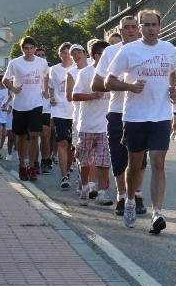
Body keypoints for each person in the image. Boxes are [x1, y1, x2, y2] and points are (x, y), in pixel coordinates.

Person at [106, 9, 176, 234]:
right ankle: (129, 201)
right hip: (135, 116)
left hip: (160, 115)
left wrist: (173, 89)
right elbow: (109, 81)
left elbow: (172, 73)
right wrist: (129, 86)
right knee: (134, 164)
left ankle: (157, 212)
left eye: (153, 24)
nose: (150, 28)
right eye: (145, 24)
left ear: (160, 27)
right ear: (139, 28)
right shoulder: (129, 51)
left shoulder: (169, 49)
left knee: (158, 161)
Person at [92, 18, 142, 217]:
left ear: (138, 29)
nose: (130, 30)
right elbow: (96, 84)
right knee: (119, 157)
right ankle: (122, 196)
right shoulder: (111, 52)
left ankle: (136, 195)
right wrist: (120, 84)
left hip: (141, 110)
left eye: (133, 27)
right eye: (126, 28)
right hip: (117, 110)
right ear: (119, 31)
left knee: (140, 158)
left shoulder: (147, 51)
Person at [68, 41, 112, 206]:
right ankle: (85, 186)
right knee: (85, 160)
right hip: (86, 124)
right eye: (106, 54)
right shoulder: (86, 73)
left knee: (103, 161)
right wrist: (94, 95)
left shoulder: (113, 74)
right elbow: (75, 96)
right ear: (97, 56)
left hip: (105, 125)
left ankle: (101, 193)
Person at [3, 35, 48, 182]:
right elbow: (5, 80)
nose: (29, 51)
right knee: (21, 136)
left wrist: (45, 89)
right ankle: (22, 165)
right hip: (20, 105)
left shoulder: (42, 62)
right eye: (26, 48)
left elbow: (46, 74)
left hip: (36, 103)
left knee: (34, 134)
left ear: (35, 49)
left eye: (31, 48)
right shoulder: (15, 63)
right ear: (22, 49)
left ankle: (32, 167)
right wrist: (14, 89)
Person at [47, 42, 77, 188]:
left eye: (68, 53)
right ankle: (64, 176)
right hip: (59, 110)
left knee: (72, 145)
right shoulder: (54, 69)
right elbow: (51, 87)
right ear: (60, 54)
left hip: (75, 110)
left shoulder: (78, 67)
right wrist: (52, 97)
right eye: (63, 53)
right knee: (62, 142)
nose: (66, 55)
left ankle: (69, 166)